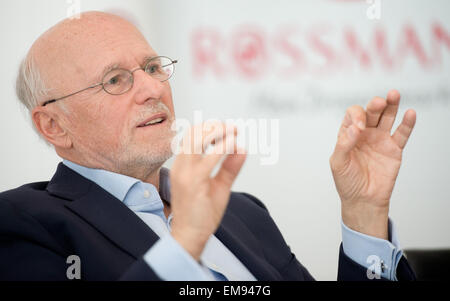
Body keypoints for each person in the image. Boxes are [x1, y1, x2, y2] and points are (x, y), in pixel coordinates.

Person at [0, 11, 417, 281]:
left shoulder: (243, 212)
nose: (152, 88)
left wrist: (364, 214)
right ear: (54, 125)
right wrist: (183, 245)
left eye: (151, 67)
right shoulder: (22, 223)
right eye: (114, 80)